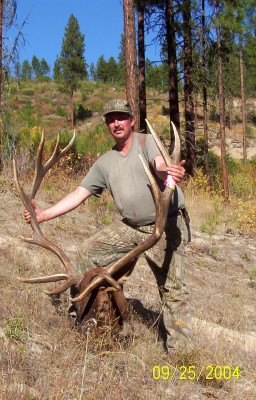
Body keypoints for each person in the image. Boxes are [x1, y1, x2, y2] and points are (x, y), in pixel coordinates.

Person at [24, 99, 191, 353]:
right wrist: (44, 214)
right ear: (107, 125)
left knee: (173, 291)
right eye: (111, 119)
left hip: (164, 225)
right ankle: (83, 314)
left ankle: (182, 354)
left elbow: (159, 166)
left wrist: (168, 172)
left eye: (121, 117)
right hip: (131, 227)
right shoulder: (105, 162)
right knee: (86, 254)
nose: (116, 123)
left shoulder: (146, 143)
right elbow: (79, 193)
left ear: (132, 121)